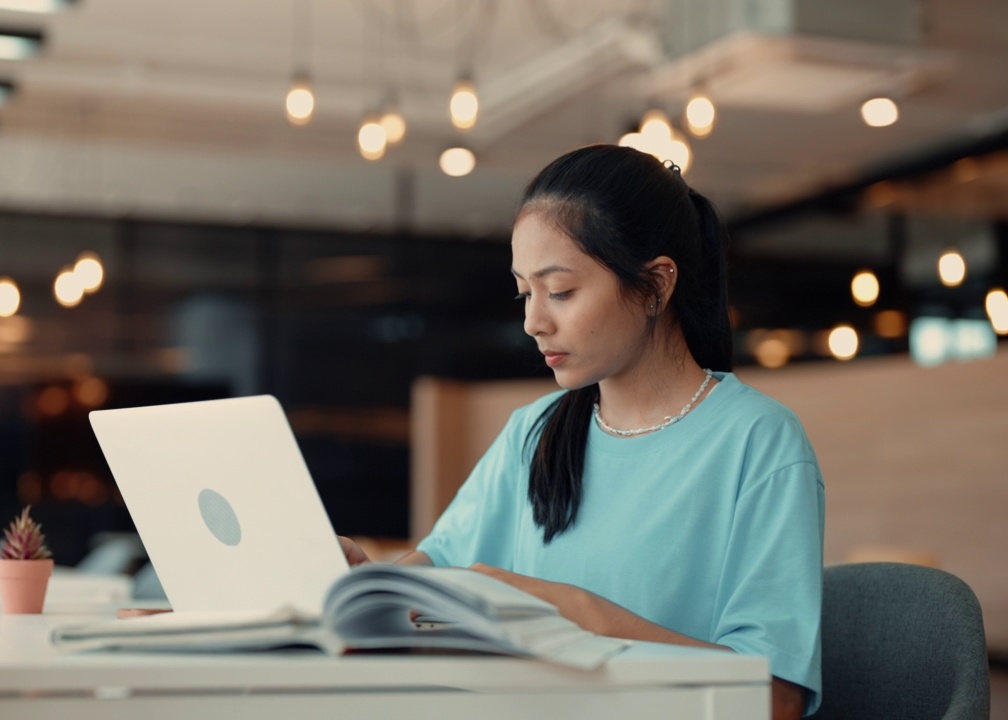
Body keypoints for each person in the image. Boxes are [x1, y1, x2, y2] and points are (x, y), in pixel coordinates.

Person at [339, 144, 824, 720]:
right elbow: (440, 565)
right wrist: (370, 585)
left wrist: (572, 615)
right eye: (525, 293)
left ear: (656, 285)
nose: (533, 322)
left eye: (561, 291)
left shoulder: (758, 442)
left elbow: (774, 699)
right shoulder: (535, 432)